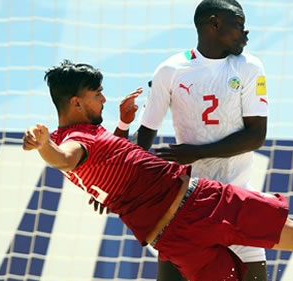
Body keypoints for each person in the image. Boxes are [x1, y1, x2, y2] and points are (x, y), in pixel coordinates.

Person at [23, 60, 293, 281]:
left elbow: (104, 160)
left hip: (171, 237)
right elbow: (64, 156)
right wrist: (45, 147)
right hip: (198, 203)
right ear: (75, 101)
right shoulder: (72, 141)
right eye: (96, 95)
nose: (104, 97)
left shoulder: (89, 134)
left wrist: (123, 126)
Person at [114, 0, 270, 279]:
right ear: (214, 23)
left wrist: (197, 152)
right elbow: (144, 139)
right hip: (185, 208)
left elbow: (256, 136)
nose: (245, 33)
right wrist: (112, 181)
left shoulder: (250, 67)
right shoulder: (170, 70)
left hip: (238, 203)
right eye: (238, 25)